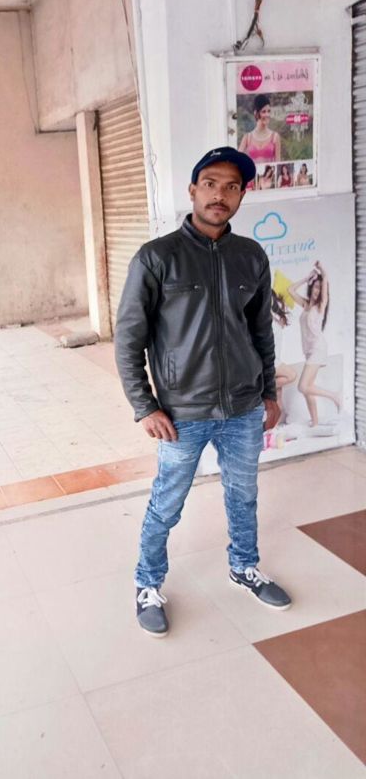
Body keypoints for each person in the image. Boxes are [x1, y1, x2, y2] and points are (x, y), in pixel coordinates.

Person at [115, 146, 291, 638]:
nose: (220, 195)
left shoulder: (250, 256)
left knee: (244, 494)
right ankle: (148, 584)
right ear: (193, 190)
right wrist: (144, 406)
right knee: (167, 502)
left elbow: (261, 331)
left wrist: (269, 393)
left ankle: (244, 566)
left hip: (243, 407)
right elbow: (128, 337)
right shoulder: (157, 257)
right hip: (181, 413)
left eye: (232, 187)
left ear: (241, 196)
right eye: (211, 184)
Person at [288, 262, 341, 426]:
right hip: (309, 351)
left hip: (318, 348)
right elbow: (290, 290)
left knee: (303, 386)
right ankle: (315, 423)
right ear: (311, 288)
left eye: (320, 287)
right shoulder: (306, 305)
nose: (317, 291)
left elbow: (325, 281)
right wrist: (306, 278)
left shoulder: (320, 306)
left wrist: (322, 270)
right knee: (308, 389)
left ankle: (334, 396)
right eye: (315, 287)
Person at [271, 291, 297, 424]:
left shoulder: (276, 316)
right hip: (270, 362)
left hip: (276, 358)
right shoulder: (262, 318)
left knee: (278, 398)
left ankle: (274, 429)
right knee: (291, 375)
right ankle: (264, 388)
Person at [238, 94, 282, 163]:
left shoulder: (275, 137)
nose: (267, 115)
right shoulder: (247, 137)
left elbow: (278, 163)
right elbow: (237, 160)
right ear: (256, 113)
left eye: (269, 111)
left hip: (270, 170)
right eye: (264, 111)